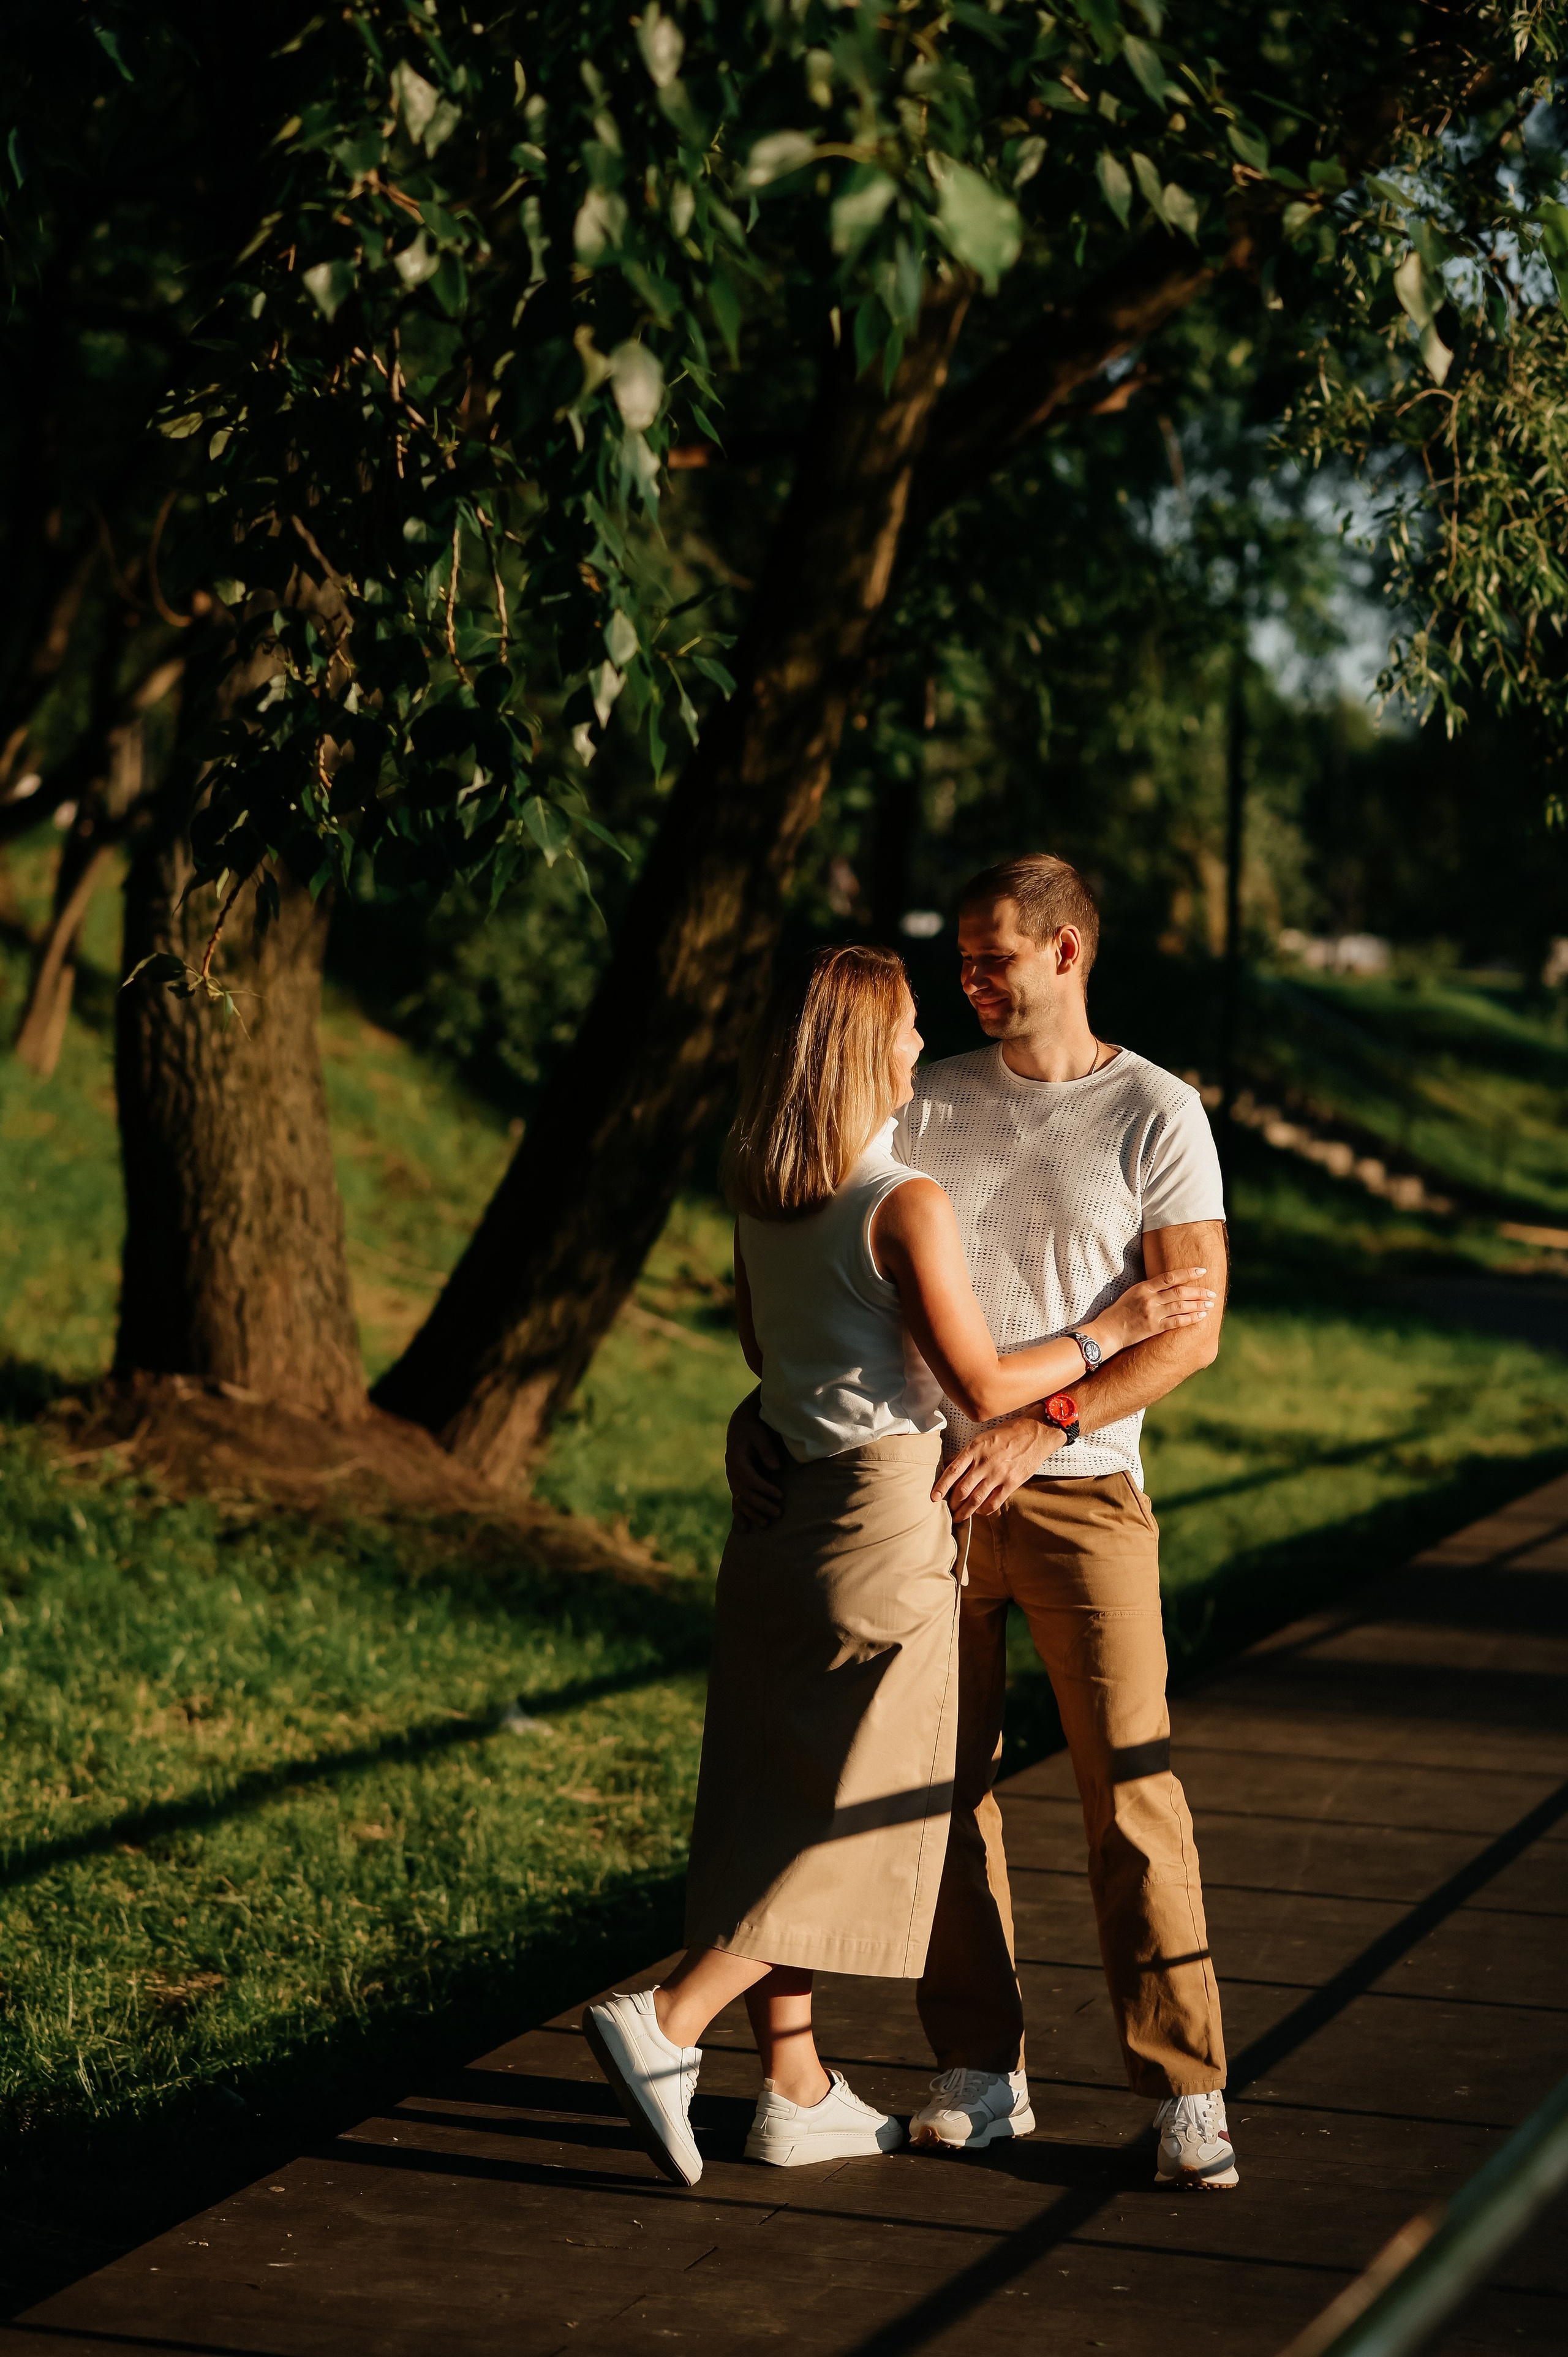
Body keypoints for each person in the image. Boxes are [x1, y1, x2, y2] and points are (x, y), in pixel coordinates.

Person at [585, 943, 1214, 2188]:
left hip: (798, 1515)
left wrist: (765, 1412)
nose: (924, 1038)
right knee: (881, 1803)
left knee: (790, 1794)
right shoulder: (904, 1188)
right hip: (894, 1510)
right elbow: (976, 1379)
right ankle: (674, 2016)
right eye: (907, 1023)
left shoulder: (765, 1188)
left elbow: (770, 1352)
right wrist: (1113, 1326)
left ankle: (796, 2087)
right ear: (863, 1048)